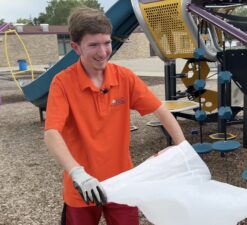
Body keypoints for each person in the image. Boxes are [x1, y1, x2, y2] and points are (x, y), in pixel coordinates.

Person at [44, 6, 186, 225]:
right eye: (93, 45)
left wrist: (181, 146)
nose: (103, 52)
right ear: (75, 47)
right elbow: (52, 133)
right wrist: (77, 173)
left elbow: (160, 109)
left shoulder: (124, 77)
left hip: (123, 181)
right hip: (82, 186)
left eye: (107, 43)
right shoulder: (62, 83)